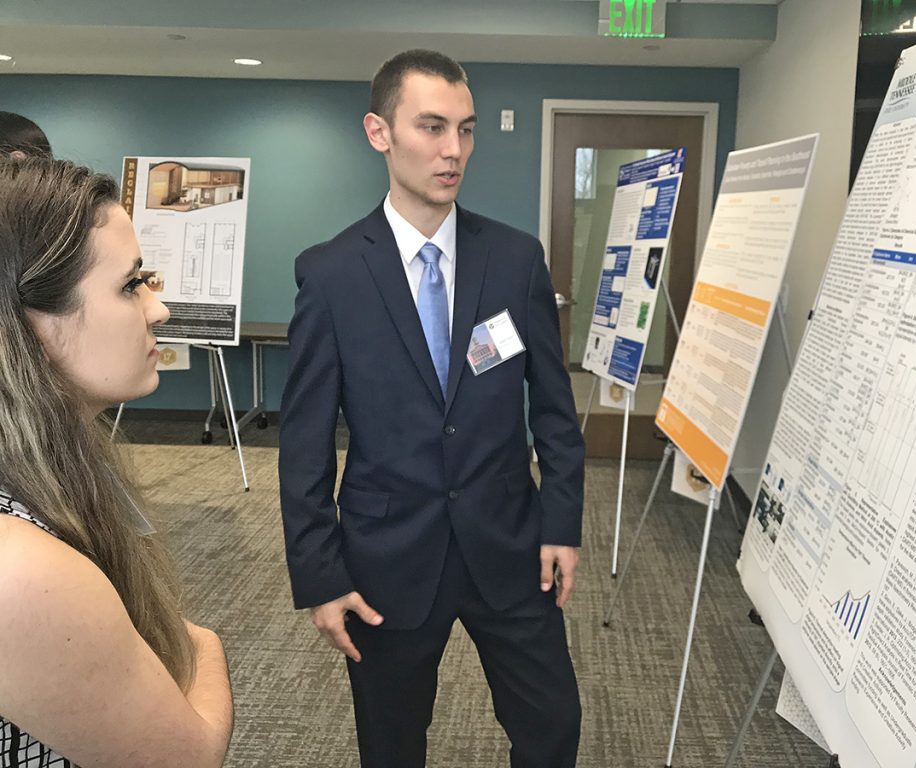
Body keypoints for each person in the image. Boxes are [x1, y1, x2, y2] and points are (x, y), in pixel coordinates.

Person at [279, 49, 585, 767]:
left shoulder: (514, 260)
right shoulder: (330, 275)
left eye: (467, 130)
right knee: (391, 745)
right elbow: (304, 445)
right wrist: (321, 576)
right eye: (432, 127)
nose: (454, 151)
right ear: (378, 132)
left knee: (552, 728)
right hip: (387, 559)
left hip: (510, 547)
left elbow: (554, 408)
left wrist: (562, 522)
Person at [0, 158, 233, 767]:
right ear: (33, 326)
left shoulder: (56, 471)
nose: (158, 309)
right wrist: (201, 645)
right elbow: (189, 756)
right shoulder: (19, 569)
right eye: (131, 285)